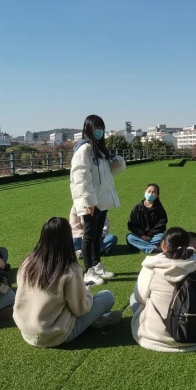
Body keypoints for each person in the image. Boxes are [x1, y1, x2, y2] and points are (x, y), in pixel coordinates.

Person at [13, 217, 122, 347]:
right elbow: (80, 310)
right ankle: (97, 320)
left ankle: (97, 320)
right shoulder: (70, 269)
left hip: (27, 331)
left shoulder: (27, 262)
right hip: (56, 334)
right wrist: (87, 293)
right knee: (107, 296)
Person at [130, 227, 196, 352]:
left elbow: (140, 298)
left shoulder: (151, 266)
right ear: (187, 245)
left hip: (157, 337)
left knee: (134, 298)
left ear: (163, 245)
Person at [70, 115, 125, 286]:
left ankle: (96, 265)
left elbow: (105, 175)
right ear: (88, 129)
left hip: (101, 200)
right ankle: (88, 271)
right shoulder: (84, 150)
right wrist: (89, 202)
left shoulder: (98, 150)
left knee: (97, 235)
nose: (99, 131)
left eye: (101, 128)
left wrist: (116, 163)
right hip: (91, 202)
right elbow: (81, 179)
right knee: (88, 236)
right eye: (96, 128)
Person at [126, 183, 168, 254]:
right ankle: (153, 248)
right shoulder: (137, 208)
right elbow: (132, 224)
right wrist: (141, 234)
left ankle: (140, 245)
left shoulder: (160, 209)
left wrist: (150, 234)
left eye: (154, 192)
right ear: (145, 191)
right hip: (139, 236)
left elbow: (161, 225)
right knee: (129, 237)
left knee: (162, 237)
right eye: (149, 191)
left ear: (157, 195)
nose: (151, 194)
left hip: (154, 236)